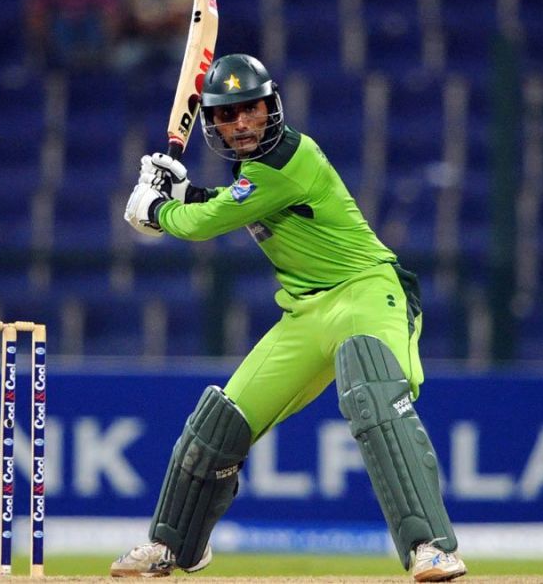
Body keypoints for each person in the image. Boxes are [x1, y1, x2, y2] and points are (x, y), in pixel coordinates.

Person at [114, 54, 467, 582]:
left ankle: (431, 548)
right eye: (228, 115)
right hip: (305, 311)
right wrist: (178, 192)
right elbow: (226, 201)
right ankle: (173, 546)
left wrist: (157, 209)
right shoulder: (255, 175)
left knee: (371, 392)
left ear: (271, 107)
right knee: (220, 424)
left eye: (251, 110)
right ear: (212, 123)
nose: (241, 124)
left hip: (368, 292)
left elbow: (208, 221)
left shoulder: (291, 158)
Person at [25, 0, 120, 71]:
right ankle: (63, 60)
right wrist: (38, 29)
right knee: (61, 24)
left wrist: (111, 22)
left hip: (88, 21)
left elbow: (110, 7)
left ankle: (92, 58)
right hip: (61, 22)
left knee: (91, 23)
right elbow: (38, 7)